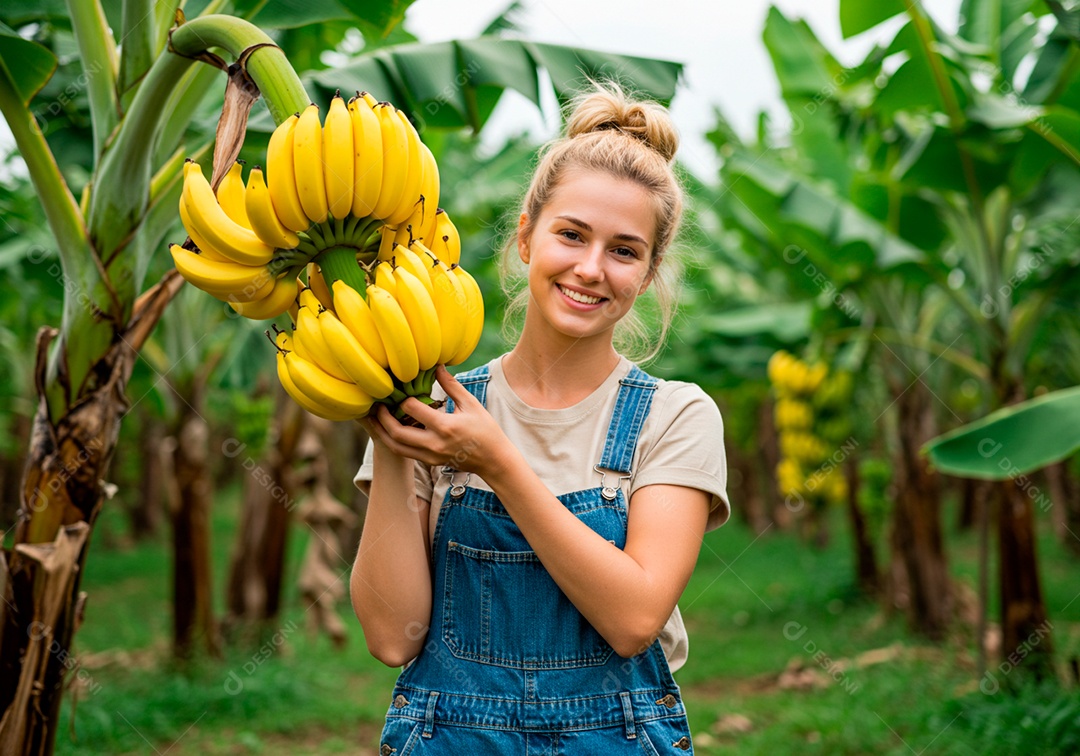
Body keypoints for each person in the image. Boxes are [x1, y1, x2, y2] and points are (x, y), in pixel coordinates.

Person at [351, 81, 729, 754]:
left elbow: (633, 619)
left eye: (623, 249)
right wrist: (395, 446)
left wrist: (496, 462)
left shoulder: (674, 417)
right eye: (571, 235)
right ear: (526, 238)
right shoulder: (431, 408)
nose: (590, 268)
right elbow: (391, 636)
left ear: (648, 273)